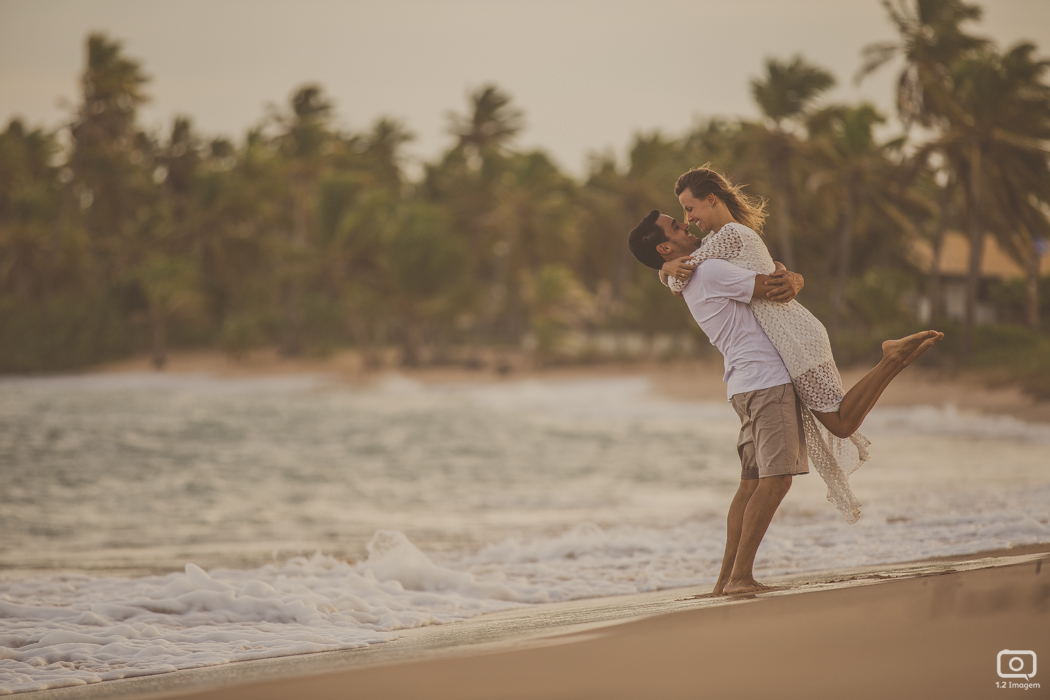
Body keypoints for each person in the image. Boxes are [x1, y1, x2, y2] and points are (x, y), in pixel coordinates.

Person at [627, 181, 941, 595]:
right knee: (776, 480)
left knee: (752, 483)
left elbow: (767, 276)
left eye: (685, 214)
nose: (686, 225)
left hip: (743, 385)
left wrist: (790, 275)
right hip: (766, 381)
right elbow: (772, 290)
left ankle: (725, 580)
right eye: (676, 225)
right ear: (665, 249)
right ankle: (740, 577)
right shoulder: (709, 269)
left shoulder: (689, 276)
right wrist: (789, 278)